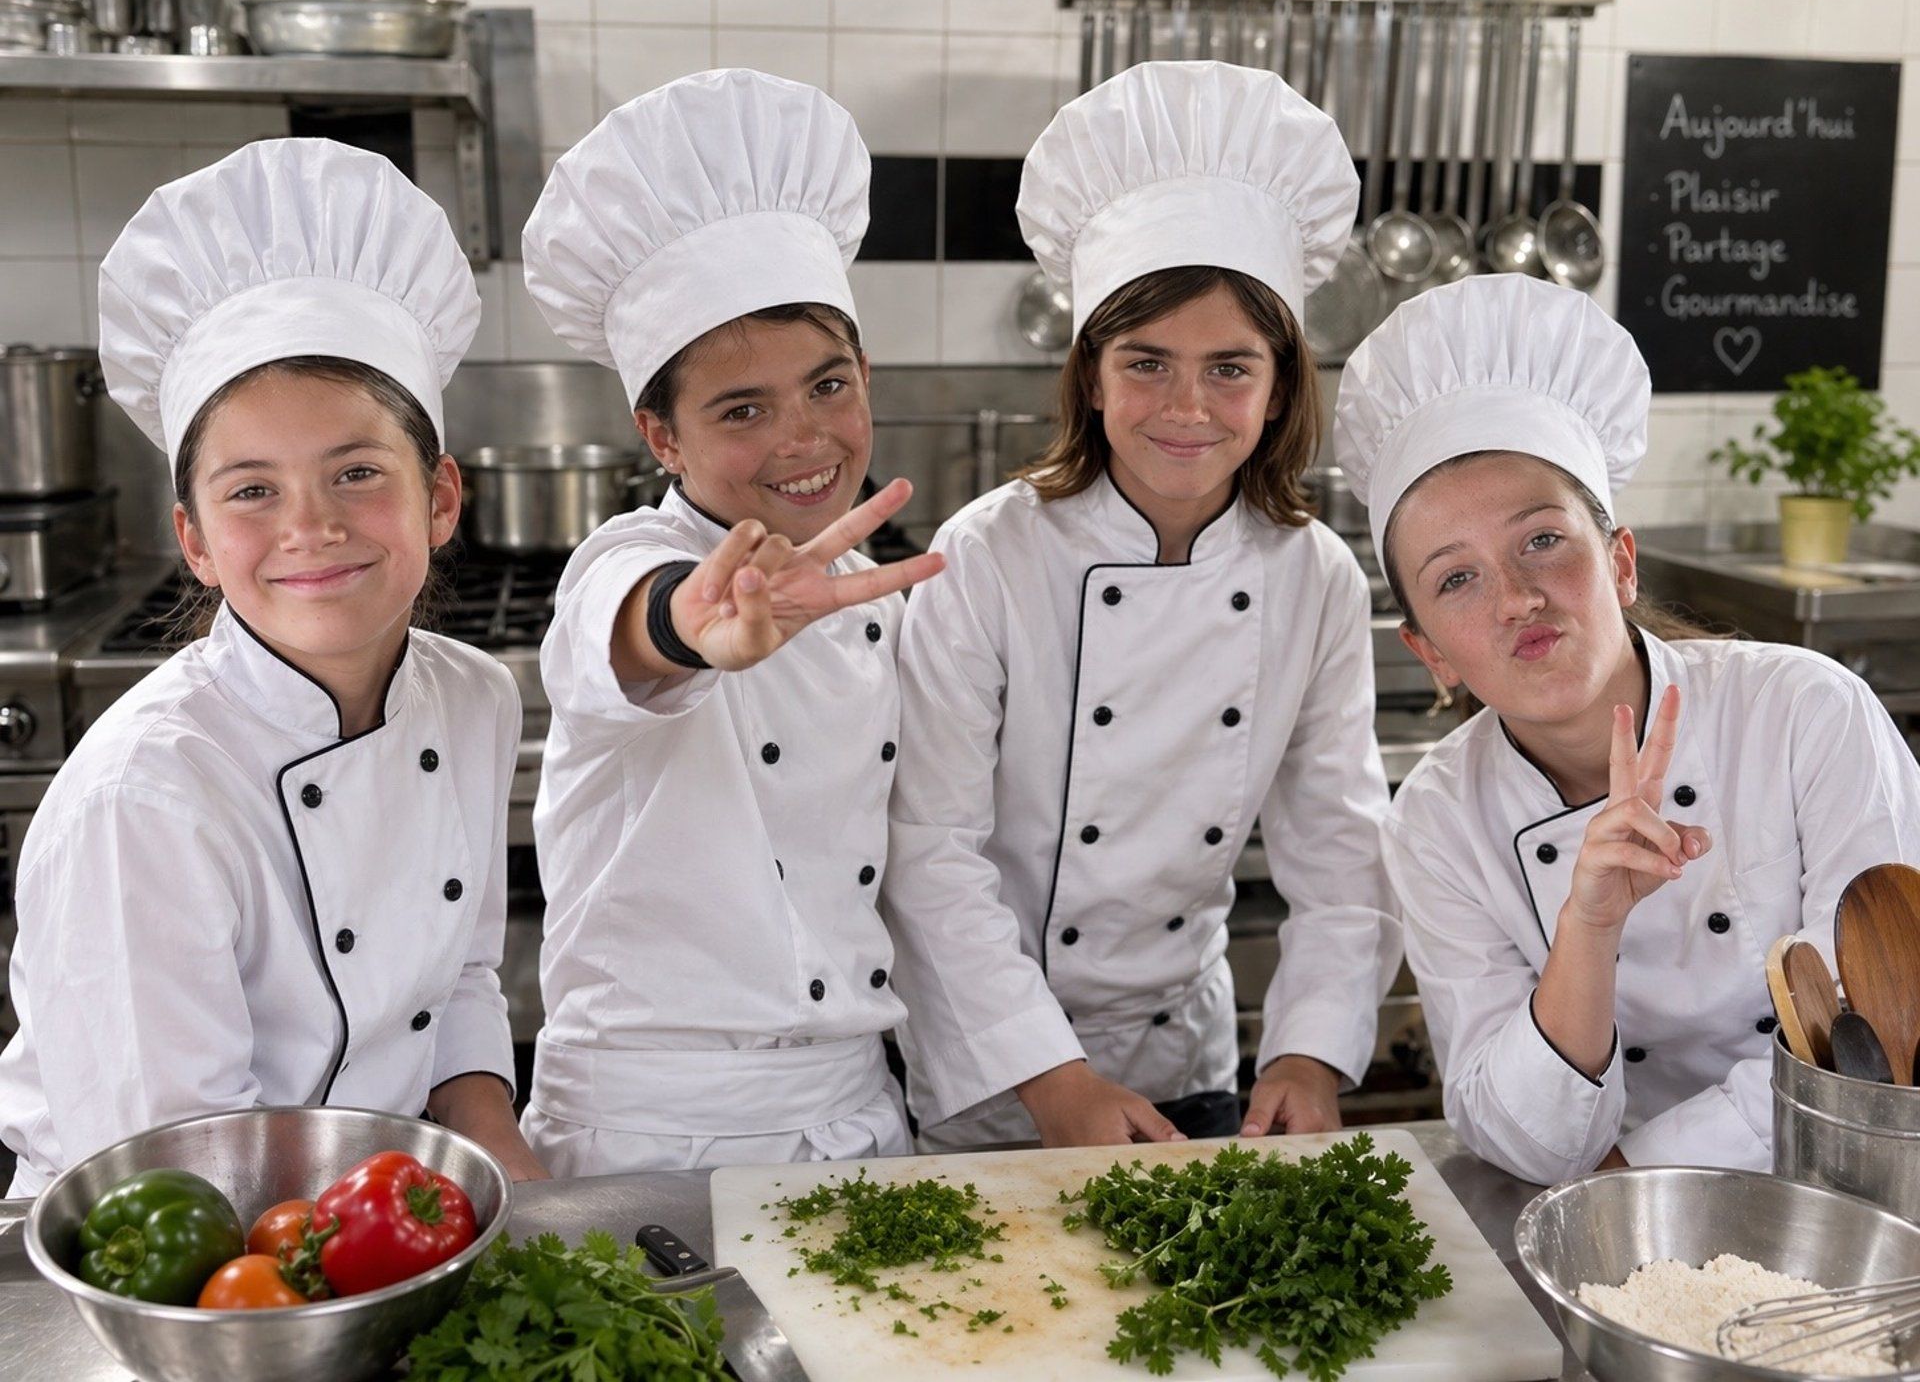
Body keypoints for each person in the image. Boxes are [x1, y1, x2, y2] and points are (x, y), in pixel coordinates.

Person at [0, 139, 543, 1193]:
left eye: (357, 472)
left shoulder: (473, 697)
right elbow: (175, 1172)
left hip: (383, 1215)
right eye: (252, 490)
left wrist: (526, 1193)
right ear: (194, 540)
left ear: (440, 499)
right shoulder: (145, 796)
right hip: (166, 1259)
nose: (312, 526)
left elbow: (463, 982)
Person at [882, 61, 1402, 1151]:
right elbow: (931, 850)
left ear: (1281, 386)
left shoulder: (1316, 579)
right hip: (994, 1068)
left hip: (1184, 1058)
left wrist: (1307, 1050)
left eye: (1230, 369)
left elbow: (1343, 852)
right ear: (1089, 375)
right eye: (1146, 363)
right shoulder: (986, 557)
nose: (1187, 408)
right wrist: (1055, 1080)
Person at [1333, 272, 1920, 1183]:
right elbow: (1519, 1138)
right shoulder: (1439, 819)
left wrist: (1641, 1172)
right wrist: (1590, 924)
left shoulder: (1806, 713)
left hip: (1837, 1192)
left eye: (1542, 540)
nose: (1519, 598)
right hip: (1608, 1220)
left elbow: (1882, 1032)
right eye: (1457, 579)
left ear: (1621, 561)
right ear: (1430, 653)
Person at [516, 69, 944, 1176]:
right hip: (647, 1132)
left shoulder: (861, 588)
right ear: (661, 438)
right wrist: (691, 628)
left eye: (829, 385)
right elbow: (640, 630)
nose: (805, 439)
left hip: (853, 1117)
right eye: (743, 410)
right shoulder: (628, 565)